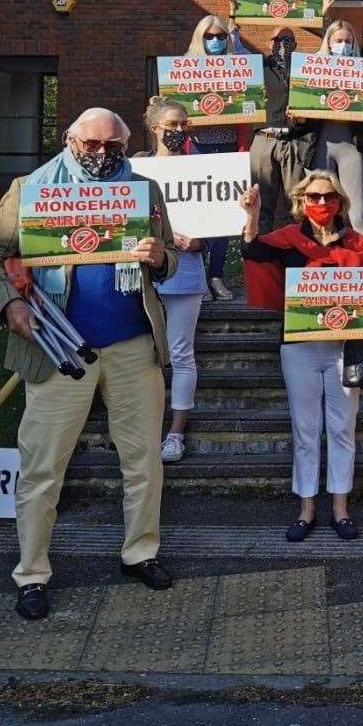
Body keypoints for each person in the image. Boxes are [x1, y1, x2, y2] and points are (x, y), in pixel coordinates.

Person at [0, 108, 178, 621]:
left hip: (131, 345)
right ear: (69, 140)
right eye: (92, 145)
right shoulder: (31, 188)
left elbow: (169, 261)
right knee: (43, 465)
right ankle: (32, 573)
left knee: (143, 459)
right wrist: (10, 304)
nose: (102, 155)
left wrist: (157, 258)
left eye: (113, 147)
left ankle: (139, 553)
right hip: (57, 347)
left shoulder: (145, 191)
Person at [241, 169, 363, 541]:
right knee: (305, 429)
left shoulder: (357, 244)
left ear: (340, 202)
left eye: (328, 197)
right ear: (302, 202)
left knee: (343, 428)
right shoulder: (287, 239)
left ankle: (341, 509)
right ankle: (306, 509)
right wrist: (252, 214)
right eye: (313, 197)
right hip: (299, 345)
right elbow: (253, 250)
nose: (321, 203)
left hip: (345, 346)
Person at [135, 98, 208, 464]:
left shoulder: (205, 168)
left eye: (184, 125)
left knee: (180, 353)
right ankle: (141, 430)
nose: (179, 131)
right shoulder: (135, 169)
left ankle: (176, 433)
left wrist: (199, 240)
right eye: (172, 124)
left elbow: (215, 223)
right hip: (141, 273)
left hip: (186, 272)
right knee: (139, 354)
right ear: (155, 128)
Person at [184, 13, 250, 300]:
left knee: (224, 218)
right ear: (200, 38)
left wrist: (234, 26)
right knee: (199, 217)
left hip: (228, 146)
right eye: (209, 37)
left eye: (220, 37)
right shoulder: (186, 68)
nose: (215, 41)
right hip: (197, 147)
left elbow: (251, 103)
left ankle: (217, 276)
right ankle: (199, 277)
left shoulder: (239, 66)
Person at [306, 19, 363, 242]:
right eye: (338, 40)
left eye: (347, 40)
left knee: (358, 217)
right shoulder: (314, 67)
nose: (343, 45)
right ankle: (321, 272)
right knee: (320, 216)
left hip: (351, 146)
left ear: (354, 43)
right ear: (328, 42)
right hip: (320, 146)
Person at [250, 24, 314, 234]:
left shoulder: (305, 71)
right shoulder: (258, 67)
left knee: (296, 205)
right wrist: (233, 17)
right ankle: (263, 258)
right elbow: (234, 55)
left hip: (292, 141)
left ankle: (297, 256)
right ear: (269, 43)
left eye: (287, 40)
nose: (281, 44)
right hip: (264, 139)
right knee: (262, 204)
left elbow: (328, 63)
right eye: (277, 40)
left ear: (295, 45)